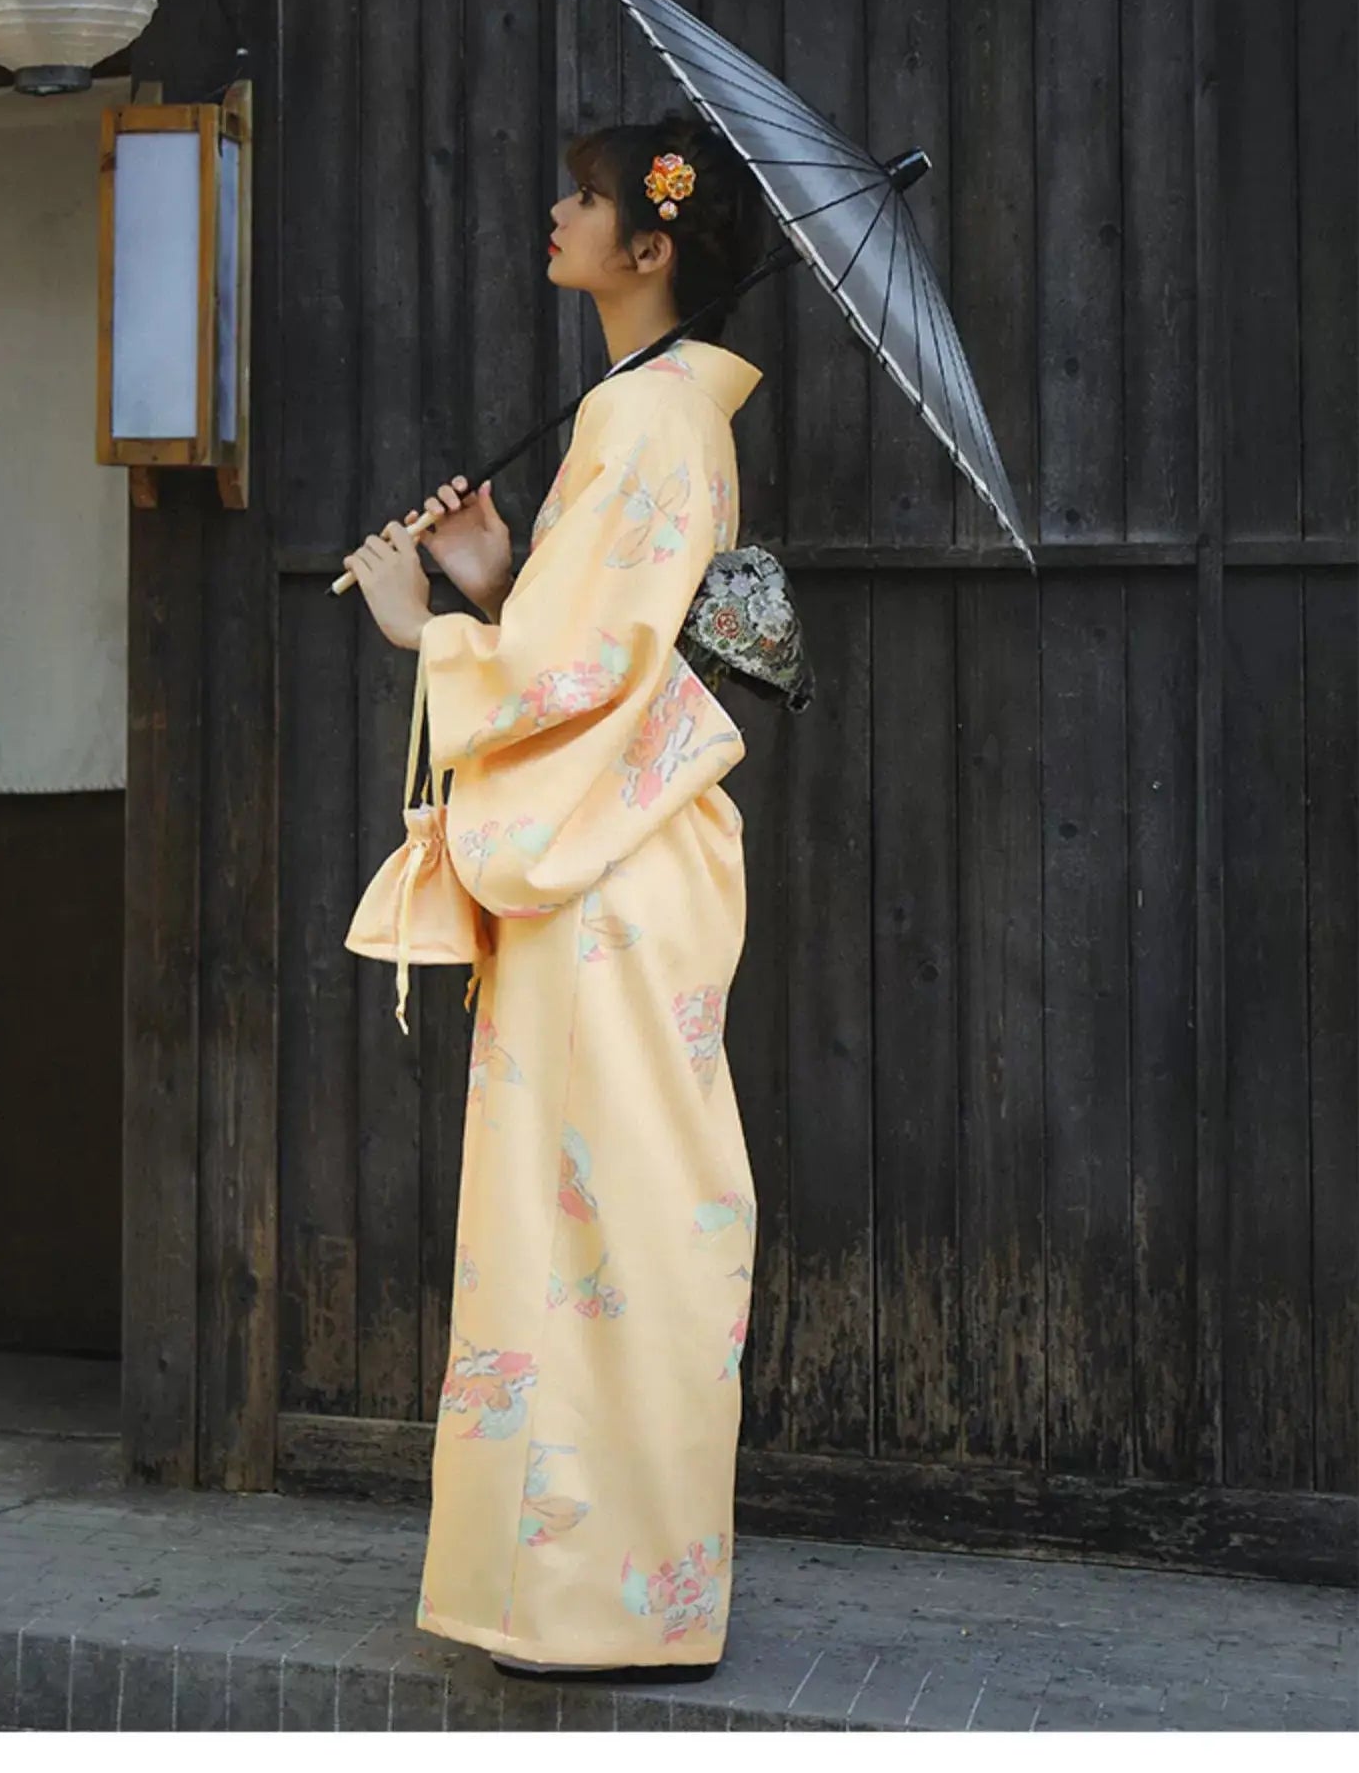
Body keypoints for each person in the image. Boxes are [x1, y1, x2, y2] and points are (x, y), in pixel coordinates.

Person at [342, 114, 766, 1681]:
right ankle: (601, 1587)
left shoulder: (652, 422)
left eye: (585, 197)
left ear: (651, 248)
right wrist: (496, 577)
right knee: (613, 1214)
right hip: (623, 852)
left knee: (606, 1217)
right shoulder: (644, 414)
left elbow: (584, 671)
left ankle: (601, 1600)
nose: (558, 209)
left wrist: (420, 631)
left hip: (607, 878)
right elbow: (590, 642)